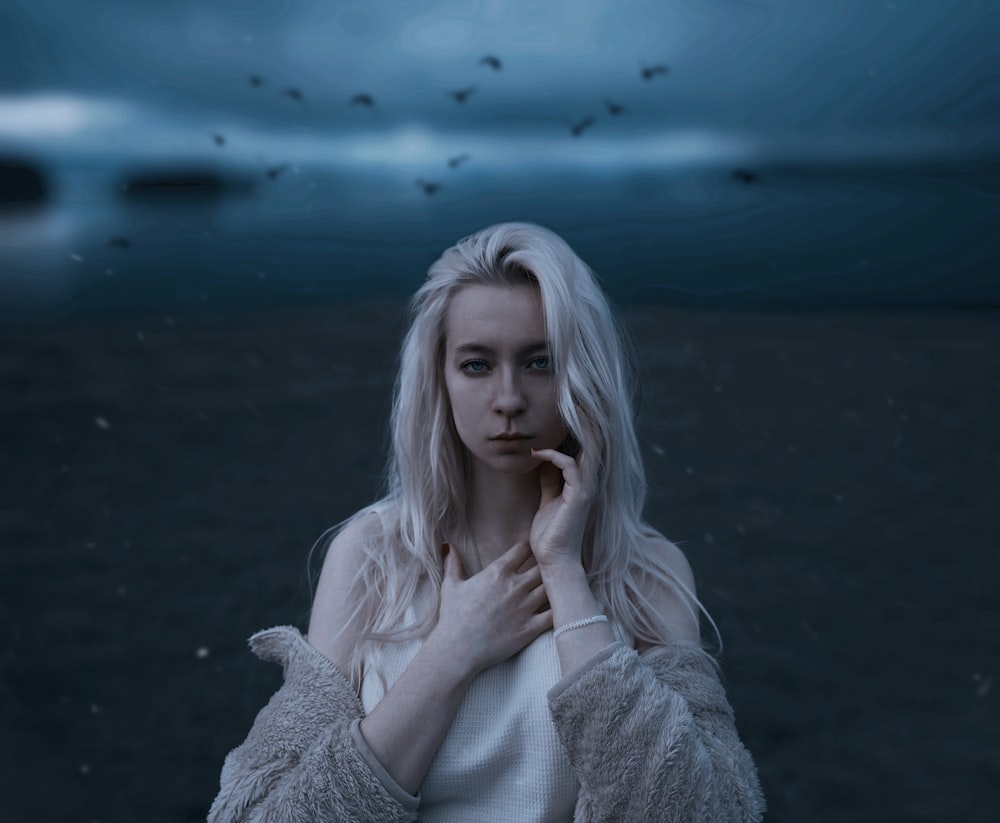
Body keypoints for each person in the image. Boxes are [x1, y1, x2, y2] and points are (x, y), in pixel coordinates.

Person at [208, 223, 765, 822]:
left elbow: (702, 814)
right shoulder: (373, 555)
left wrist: (566, 575)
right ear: (439, 380)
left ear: (584, 375)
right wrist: (452, 652)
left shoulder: (647, 572)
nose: (508, 399)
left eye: (540, 362)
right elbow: (262, 815)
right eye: (476, 365)